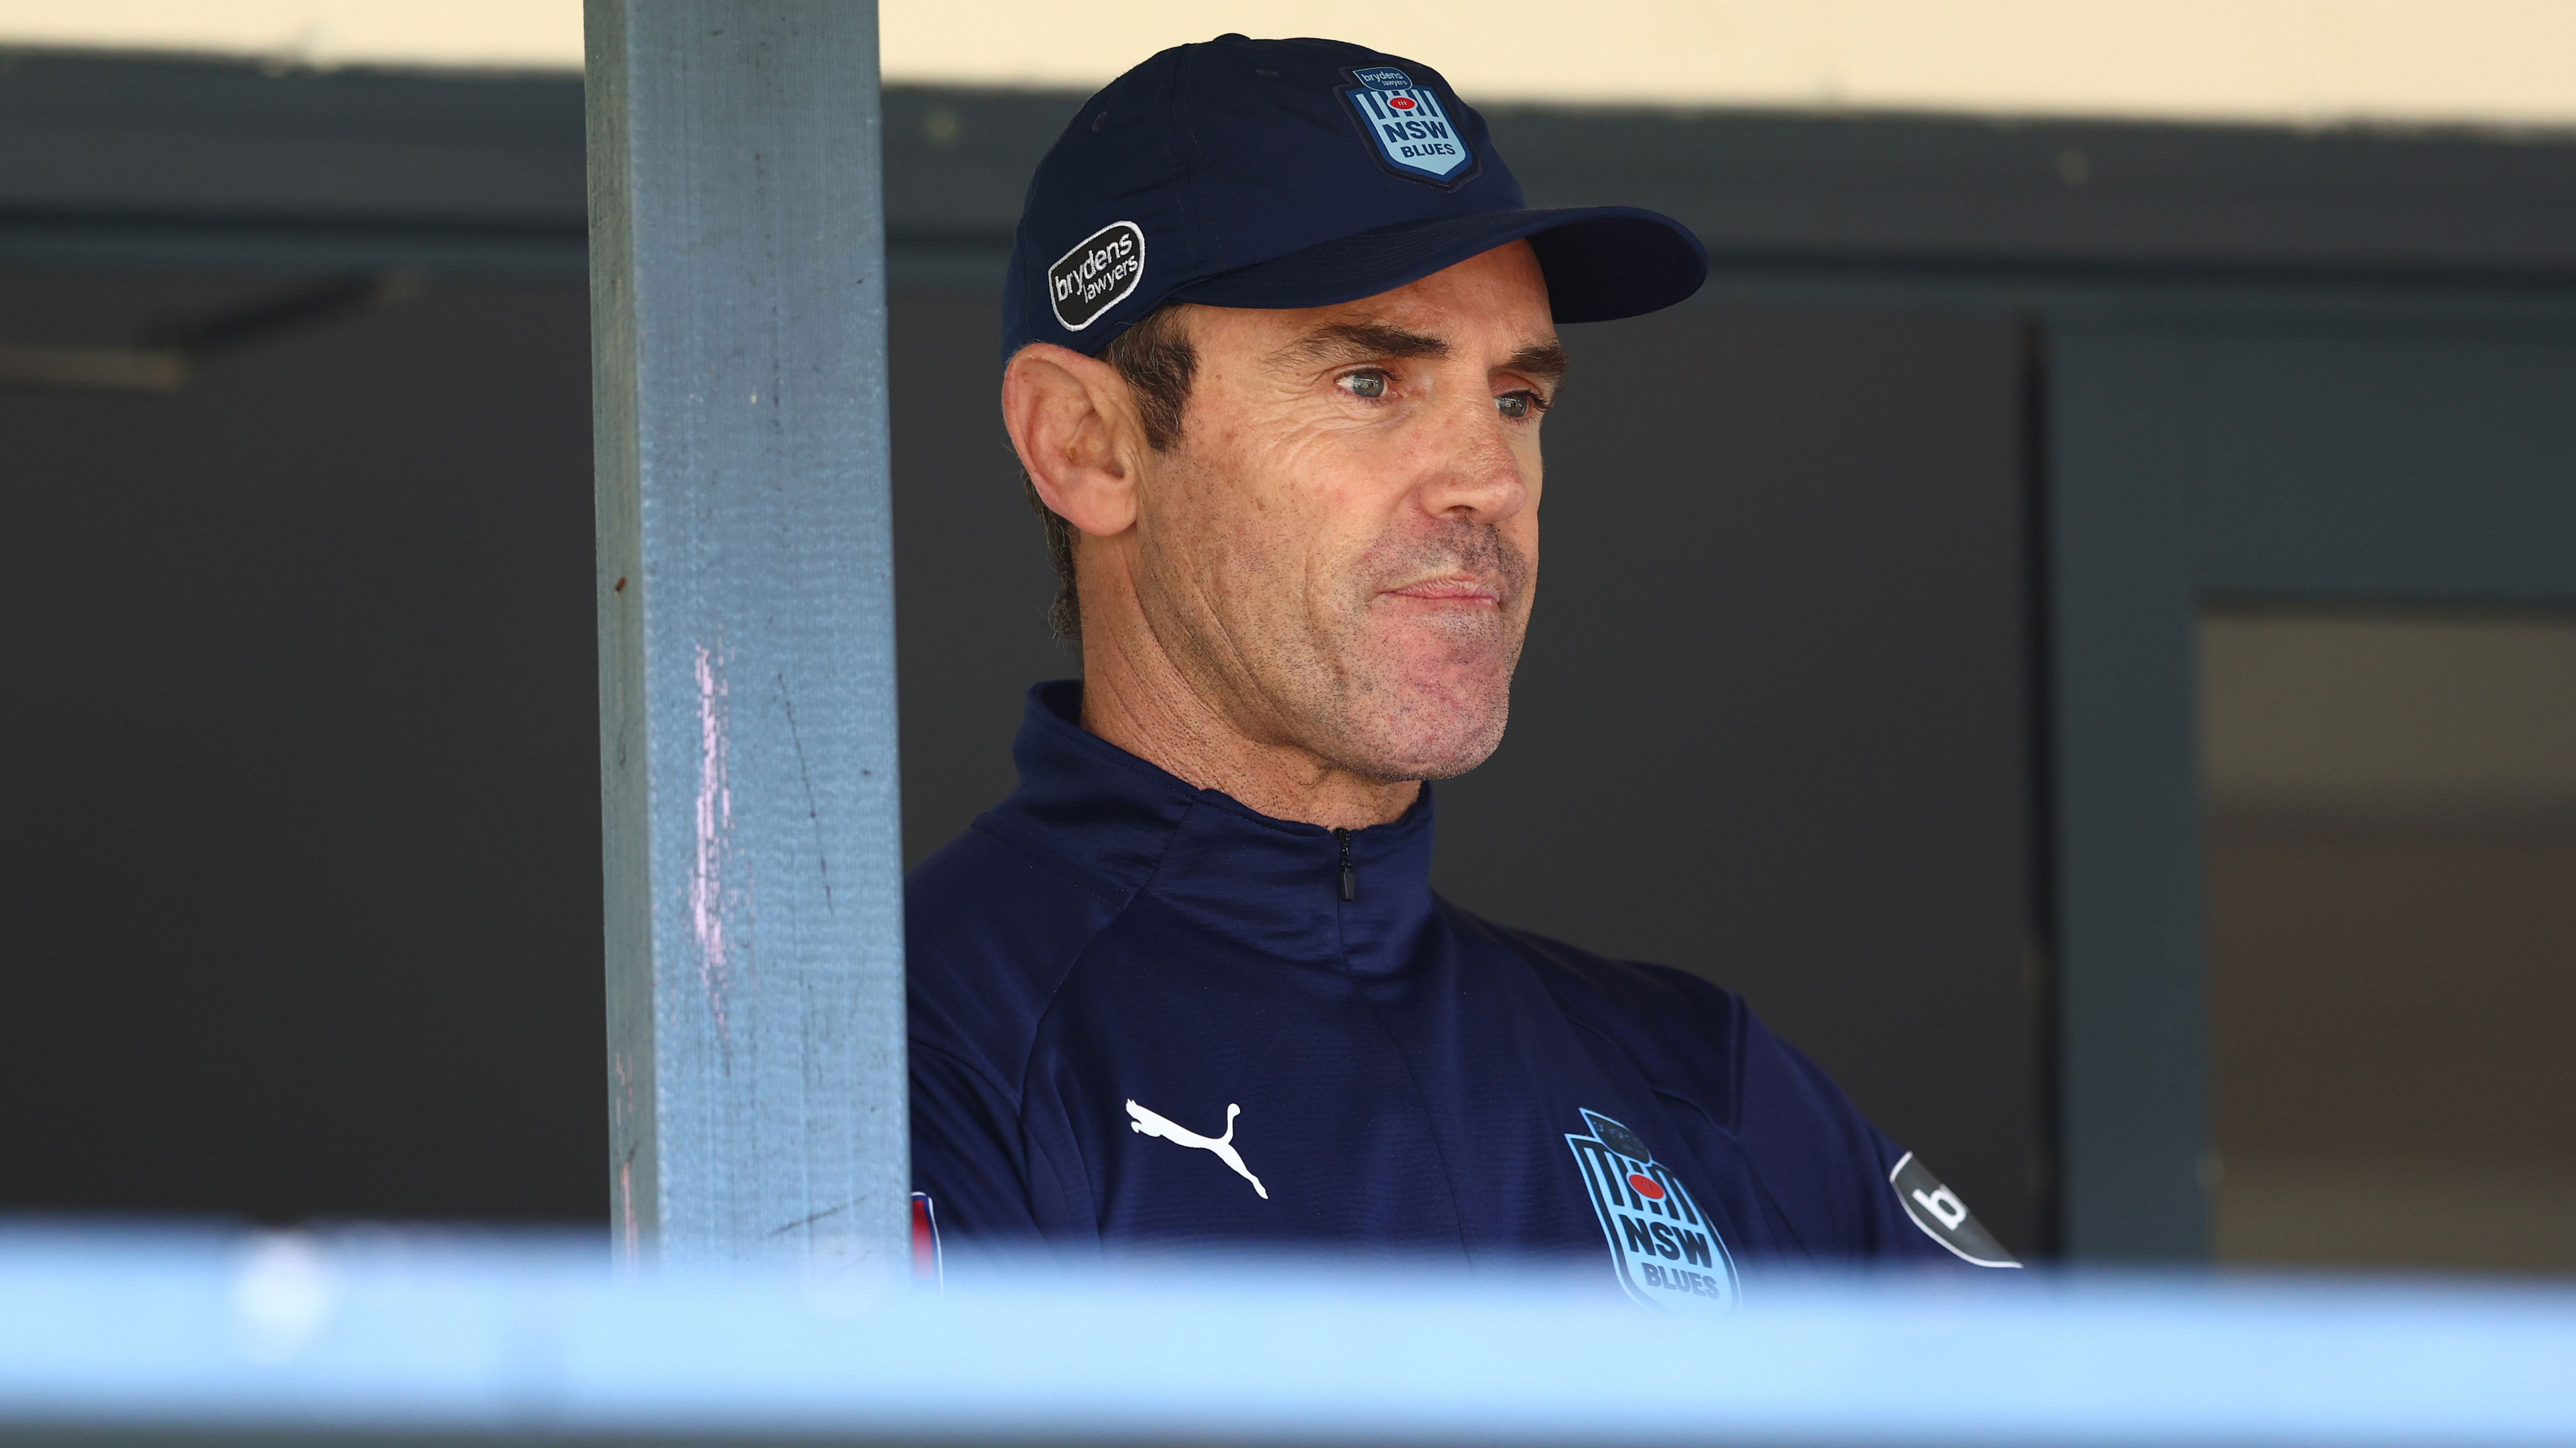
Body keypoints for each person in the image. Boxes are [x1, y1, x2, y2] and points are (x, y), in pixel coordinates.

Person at [906, 34, 2018, 1304]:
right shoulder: (902, 1058)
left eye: (1516, 400)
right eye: (1370, 380)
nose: (1491, 483)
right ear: (1089, 445)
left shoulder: (1701, 1080)